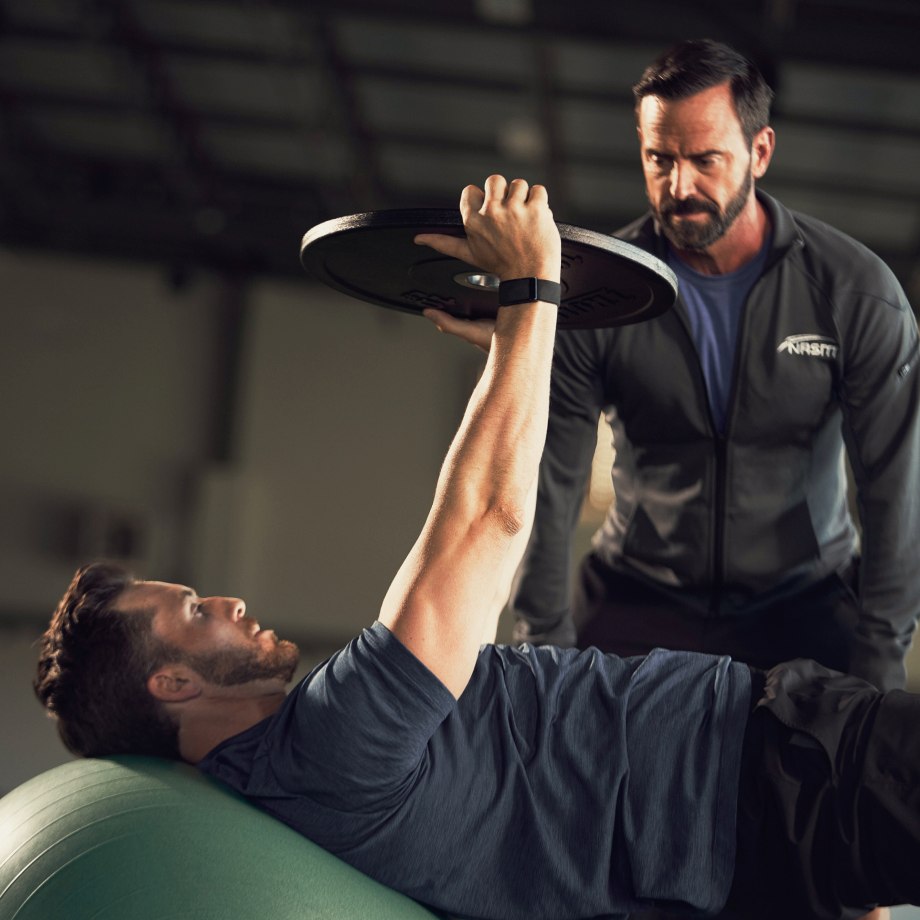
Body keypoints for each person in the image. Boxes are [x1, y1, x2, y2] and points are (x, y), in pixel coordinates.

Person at [34, 177, 920, 920]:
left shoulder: (306, 775)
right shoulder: (330, 744)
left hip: (760, 840)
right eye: (192, 612)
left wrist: (517, 344)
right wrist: (534, 288)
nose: (224, 602)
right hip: (776, 775)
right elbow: (489, 520)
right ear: (173, 684)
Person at [510, 39, 920, 700]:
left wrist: (877, 669)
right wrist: (541, 651)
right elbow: (550, 484)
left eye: (706, 160)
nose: (680, 187)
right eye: (659, 159)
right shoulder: (599, 288)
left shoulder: (855, 293)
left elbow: (894, 497)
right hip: (636, 594)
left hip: (804, 601)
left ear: (760, 152)